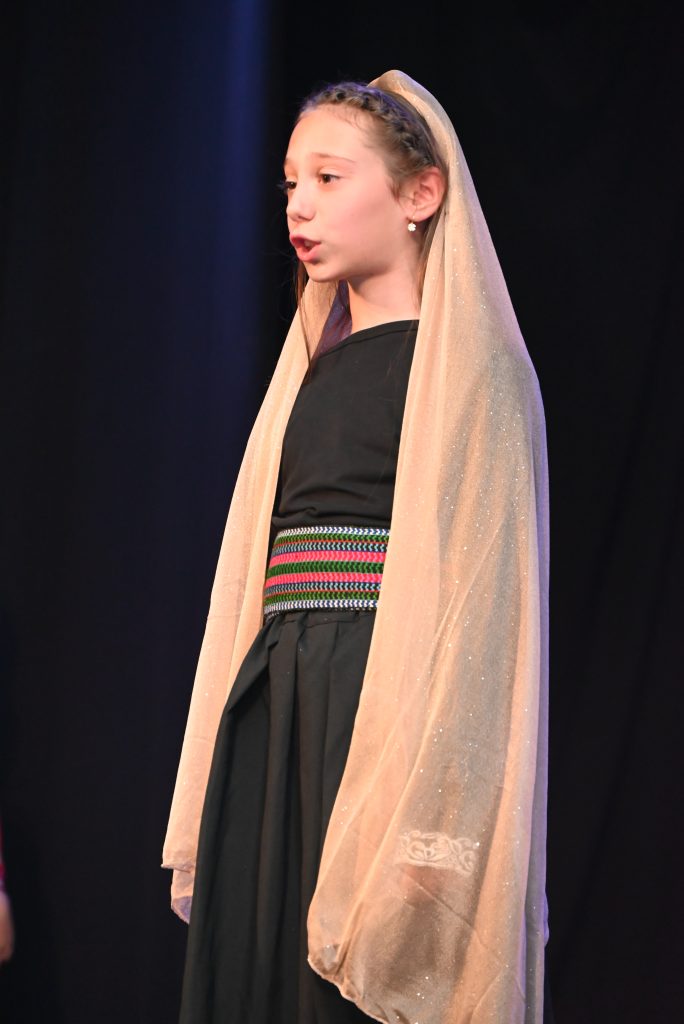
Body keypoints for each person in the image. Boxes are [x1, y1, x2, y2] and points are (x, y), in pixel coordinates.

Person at [163, 70, 550, 1024]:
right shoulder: (304, 373)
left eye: (330, 178)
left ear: (421, 194)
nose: (299, 204)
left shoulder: (471, 374)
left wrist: (437, 824)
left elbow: (484, 614)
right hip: (279, 695)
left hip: (378, 706)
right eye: (291, 183)